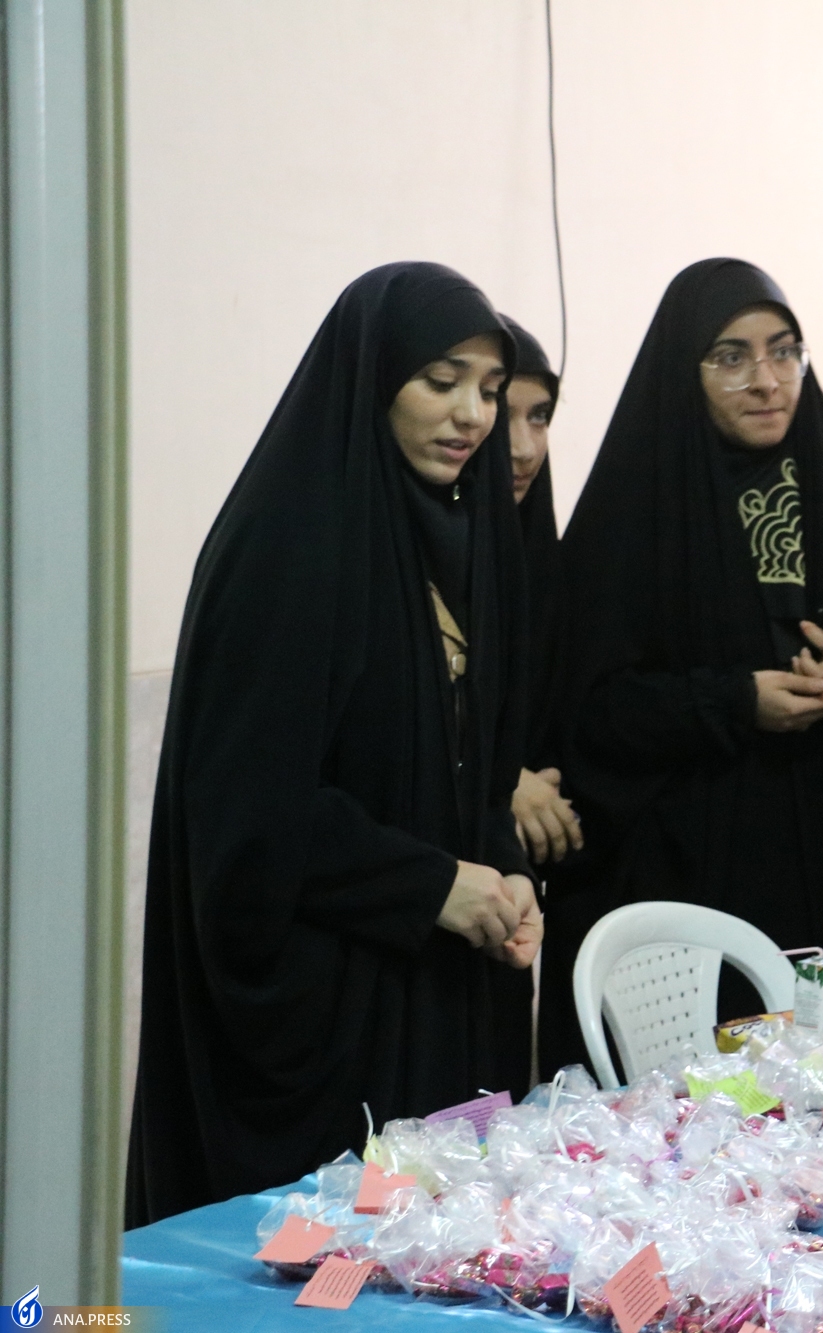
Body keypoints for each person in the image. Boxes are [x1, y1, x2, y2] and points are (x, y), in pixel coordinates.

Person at [127, 263, 543, 1224]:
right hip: (325, 1009)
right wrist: (431, 886)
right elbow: (249, 809)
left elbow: (475, 764)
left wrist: (507, 872)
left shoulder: (469, 542)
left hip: (438, 990)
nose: (472, 415)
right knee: (317, 1259)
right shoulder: (288, 543)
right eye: (440, 380)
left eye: (489, 388)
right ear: (373, 378)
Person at [546, 258, 823, 1059]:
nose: (766, 379)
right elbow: (588, 709)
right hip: (685, 868)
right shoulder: (632, 515)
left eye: (784, 351)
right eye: (731, 356)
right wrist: (733, 699)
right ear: (684, 371)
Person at [501, 315, 584, 870]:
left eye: (540, 416)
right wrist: (499, 784)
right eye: (500, 410)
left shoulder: (545, 566)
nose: (525, 449)